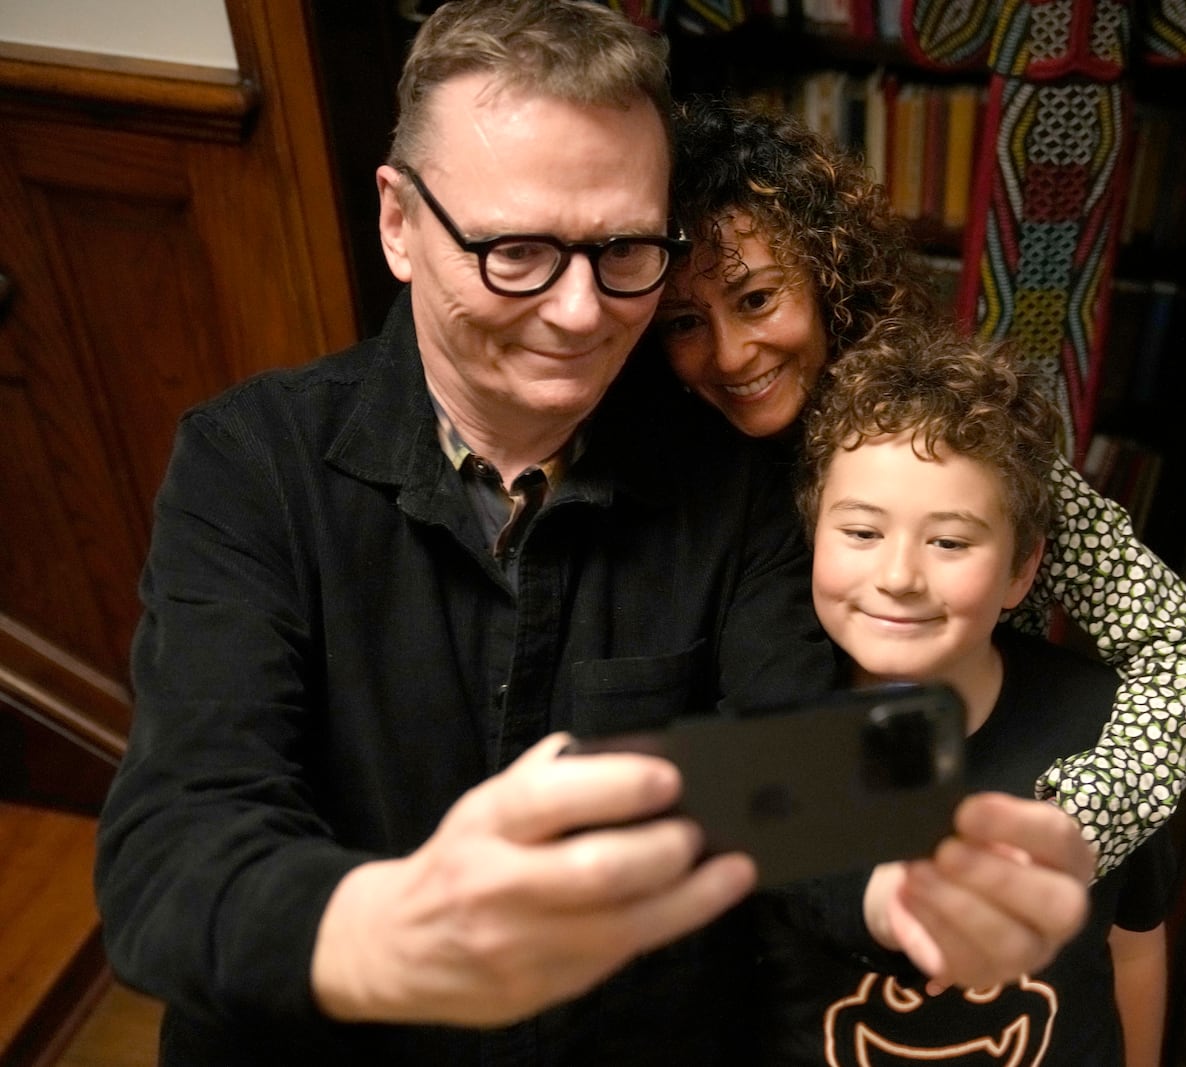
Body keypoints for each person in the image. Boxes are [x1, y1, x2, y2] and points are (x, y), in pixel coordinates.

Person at [93, 3, 1095, 1064]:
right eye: (517, 250)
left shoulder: (736, 473)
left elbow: (797, 754)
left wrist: (901, 874)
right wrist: (387, 928)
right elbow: (172, 854)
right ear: (398, 223)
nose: (581, 312)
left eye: (623, 249)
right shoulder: (249, 463)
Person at [655, 96, 1186, 875]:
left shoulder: (946, 432)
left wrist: (1067, 825)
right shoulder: (662, 457)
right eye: (685, 323)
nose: (732, 355)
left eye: (759, 299)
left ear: (829, 276)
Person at [753, 321, 1174, 1066]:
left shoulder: (1109, 725)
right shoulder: (763, 728)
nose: (899, 576)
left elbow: (1134, 948)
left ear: (1022, 569)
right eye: (860, 531)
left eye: (949, 541)